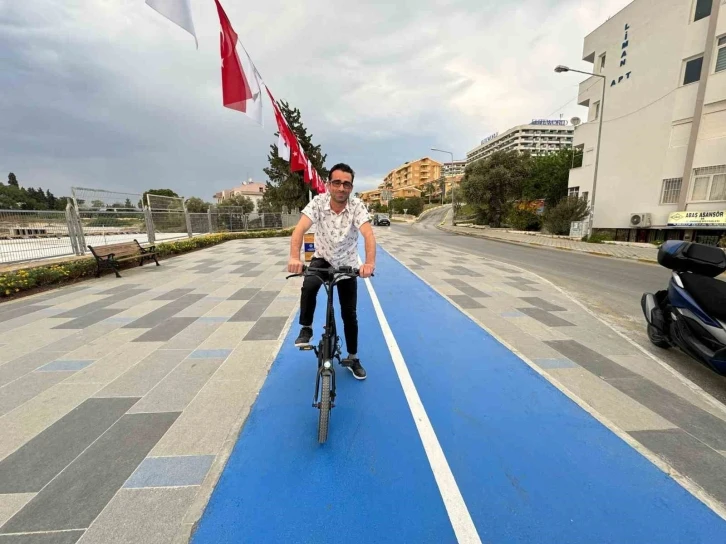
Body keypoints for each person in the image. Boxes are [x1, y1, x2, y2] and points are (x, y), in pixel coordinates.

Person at [287, 163, 376, 380]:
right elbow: (299, 230)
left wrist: (369, 263)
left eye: (346, 184)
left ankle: (353, 357)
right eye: (336, 182)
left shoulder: (356, 206)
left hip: (346, 262)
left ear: (351, 187)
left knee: (349, 314)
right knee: (308, 286)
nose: (341, 188)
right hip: (323, 258)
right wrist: (293, 257)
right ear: (328, 184)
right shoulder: (318, 203)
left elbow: (368, 235)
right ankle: (306, 327)